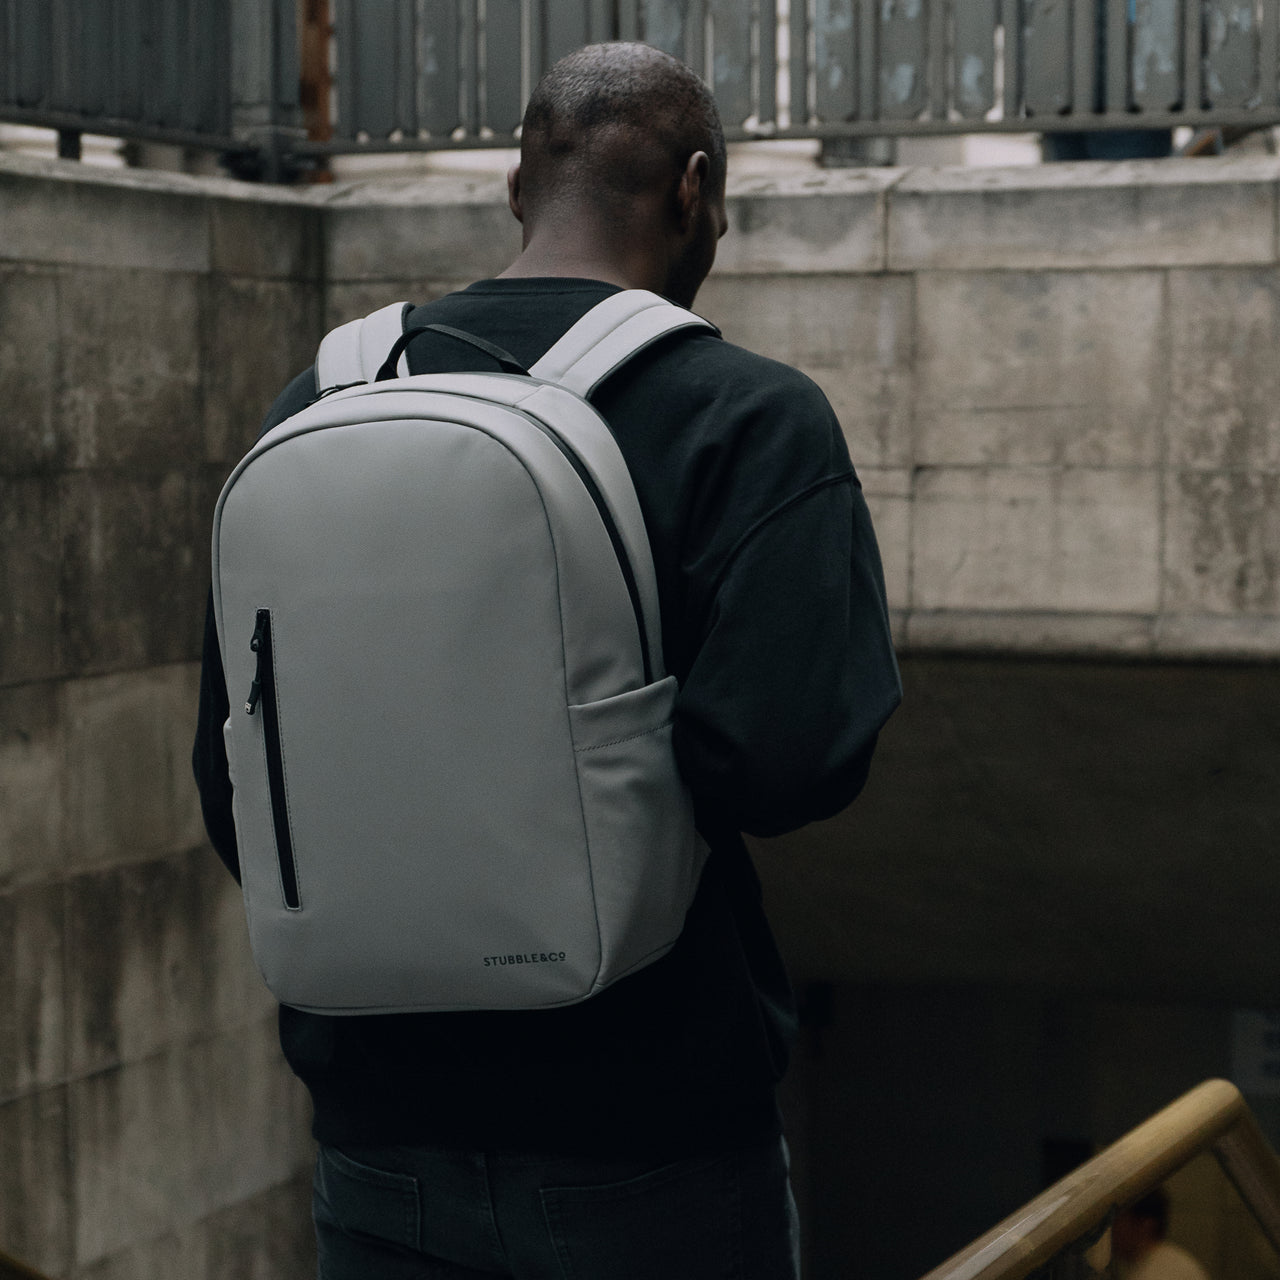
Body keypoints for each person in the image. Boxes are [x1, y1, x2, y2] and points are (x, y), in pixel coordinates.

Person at [193, 40, 901, 1279]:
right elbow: (786, 764)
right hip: (652, 1137)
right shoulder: (748, 416)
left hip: (375, 1142)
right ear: (695, 193)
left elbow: (233, 777)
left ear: (516, 190)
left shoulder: (322, 395)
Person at [1111, 1188, 1211, 1280]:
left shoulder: (1161, 1272)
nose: (1112, 1230)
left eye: (1118, 1222)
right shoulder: (1165, 1261)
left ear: (1145, 1225)